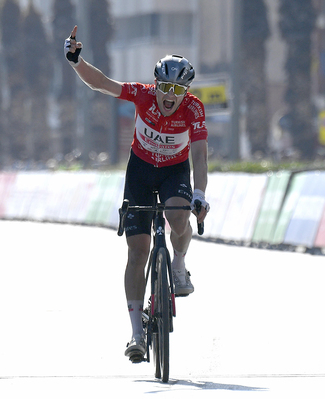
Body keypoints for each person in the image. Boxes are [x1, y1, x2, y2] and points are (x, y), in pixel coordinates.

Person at [64, 26, 209, 361]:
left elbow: (200, 154)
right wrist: (76, 60)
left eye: (178, 89)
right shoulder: (142, 95)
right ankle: (136, 332)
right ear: (155, 85)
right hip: (140, 172)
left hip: (175, 171)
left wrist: (199, 193)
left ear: (185, 91)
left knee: (179, 216)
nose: (170, 95)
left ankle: (179, 262)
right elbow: (102, 83)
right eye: (165, 87)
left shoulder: (194, 108)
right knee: (137, 251)